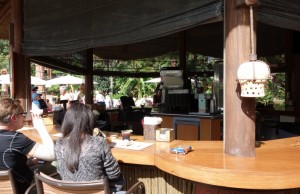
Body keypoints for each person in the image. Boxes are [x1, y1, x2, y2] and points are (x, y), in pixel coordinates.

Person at [55, 103, 124, 193]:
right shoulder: (98, 142)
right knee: (121, 181)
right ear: (89, 121)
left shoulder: (58, 144)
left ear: (67, 121)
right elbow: (114, 174)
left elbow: (60, 171)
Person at [0, 98, 55, 194]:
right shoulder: (16, 139)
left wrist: (30, 162)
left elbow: (7, 163)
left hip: (4, 189)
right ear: (13, 117)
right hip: (25, 188)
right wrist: (39, 124)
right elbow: (52, 154)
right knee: (55, 167)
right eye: (23, 114)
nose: (24, 118)